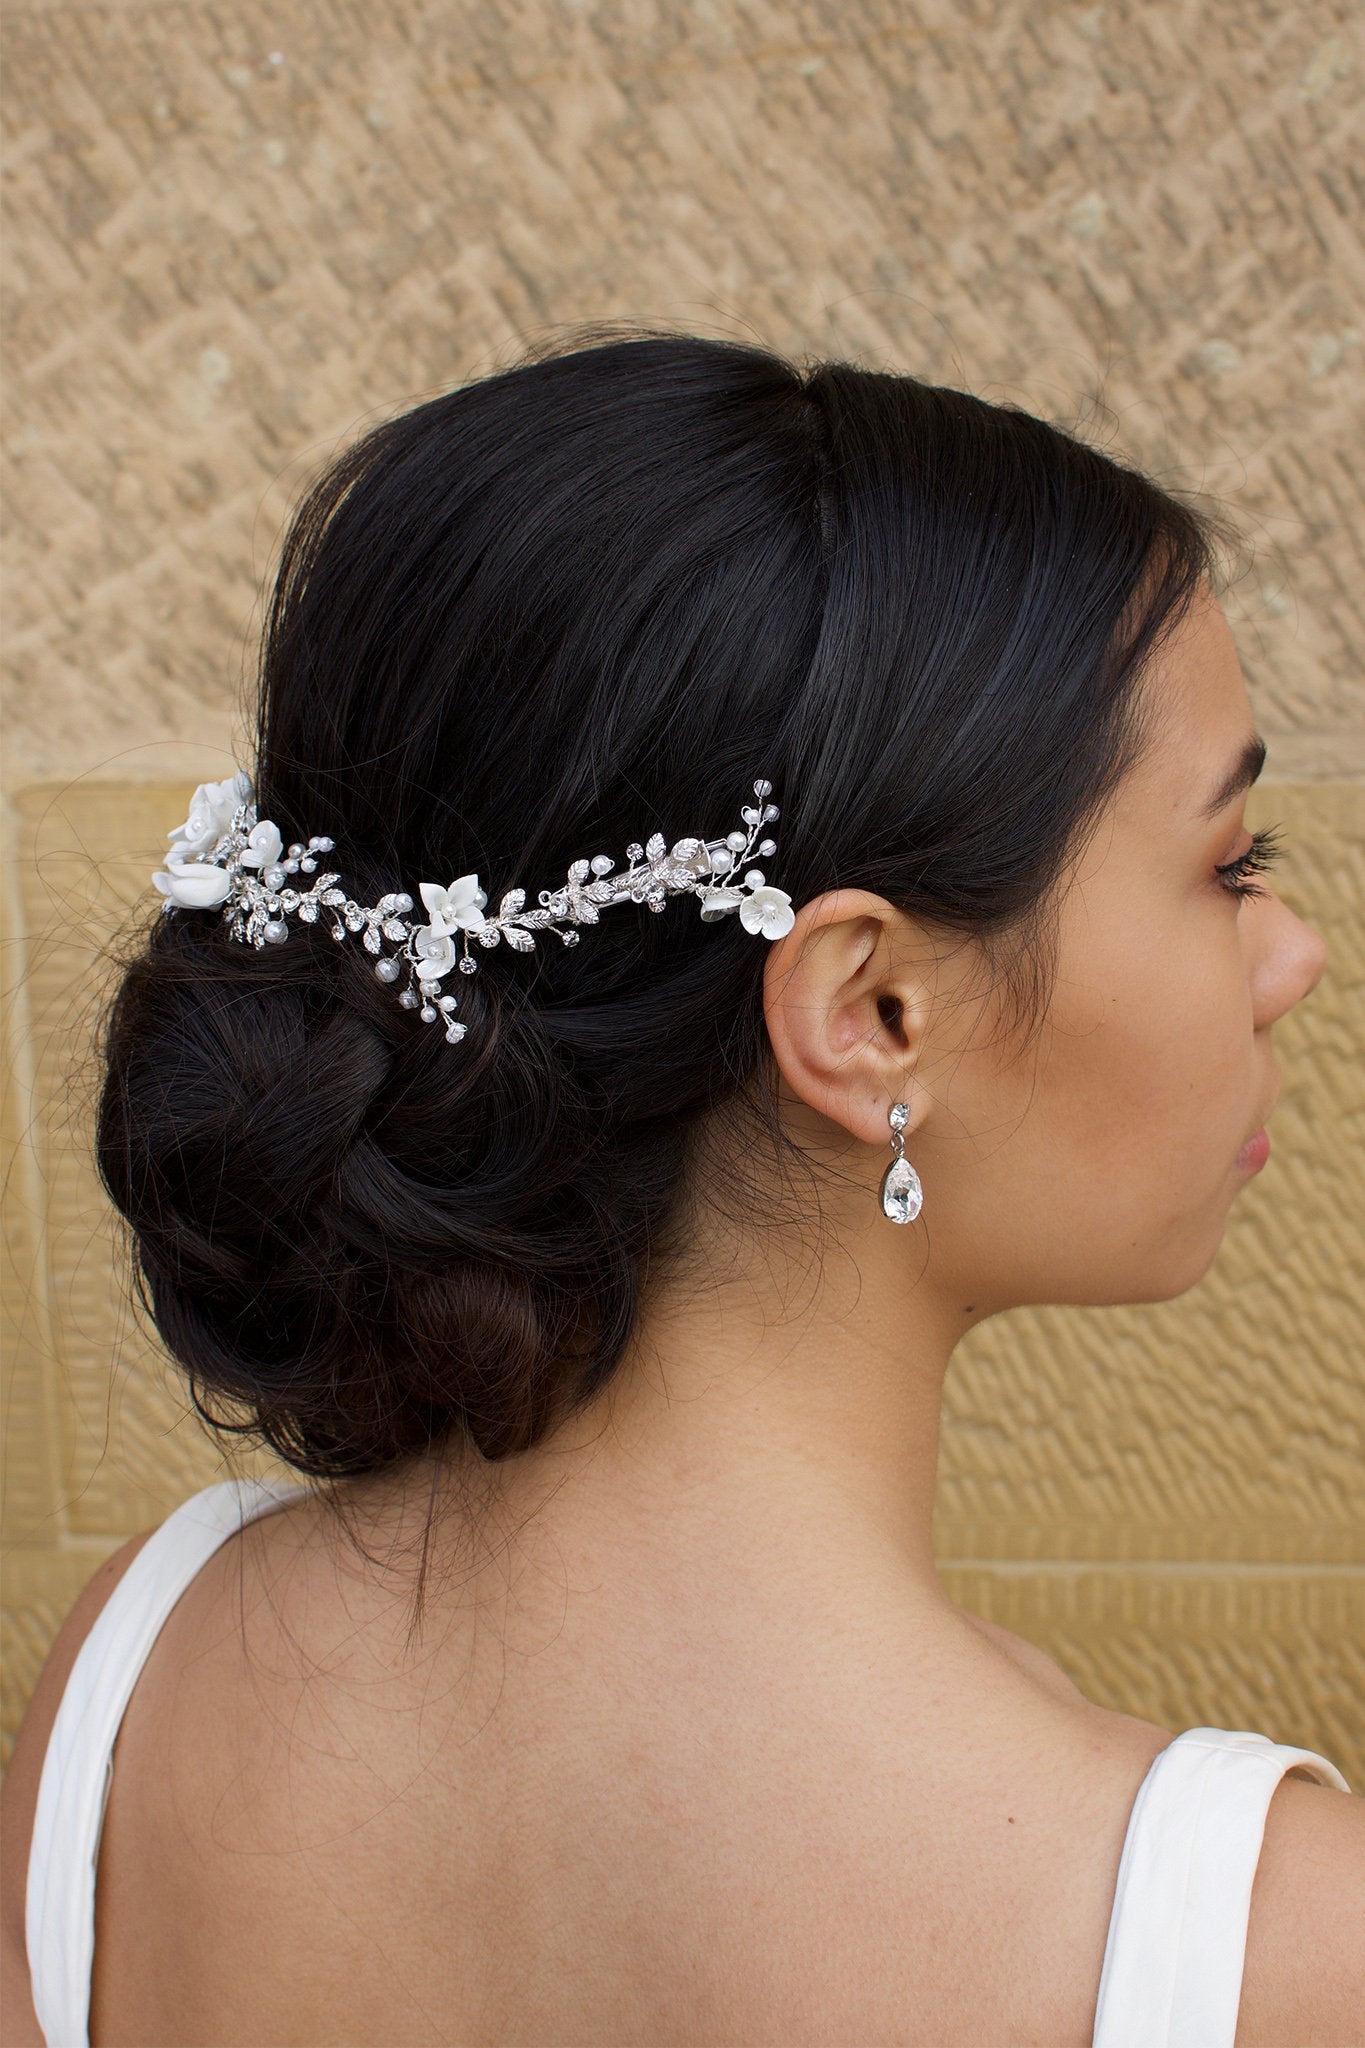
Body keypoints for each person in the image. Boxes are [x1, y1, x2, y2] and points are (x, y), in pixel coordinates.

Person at [2, 327, 1360, 2047]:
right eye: (1224, 864)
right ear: (868, 1012)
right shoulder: (1265, 1954)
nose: (1288, 955)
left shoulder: (133, 1687)